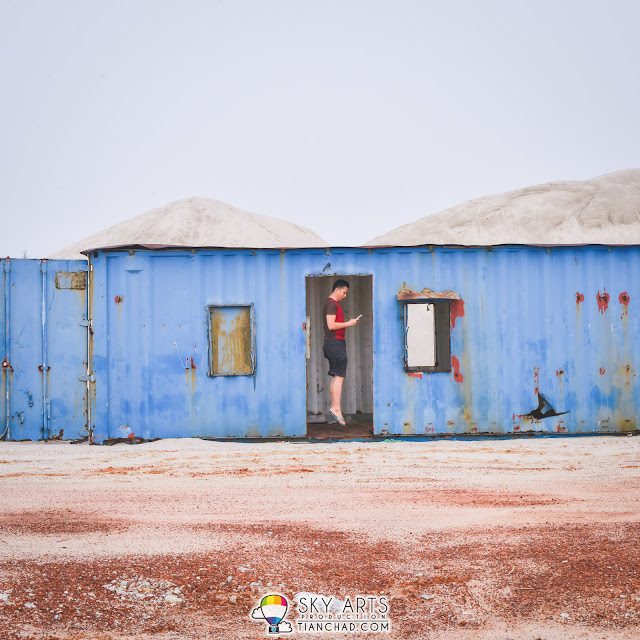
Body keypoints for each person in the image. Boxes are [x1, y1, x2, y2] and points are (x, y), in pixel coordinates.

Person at [322, 279, 360, 426]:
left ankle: (335, 406)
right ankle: (336, 408)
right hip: (335, 343)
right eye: (344, 292)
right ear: (337, 290)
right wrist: (348, 323)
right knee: (339, 376)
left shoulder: (330, 303)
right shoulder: (332, 304)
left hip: (332, 343)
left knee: (336, 376)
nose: (345, 296)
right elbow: (331, 325)